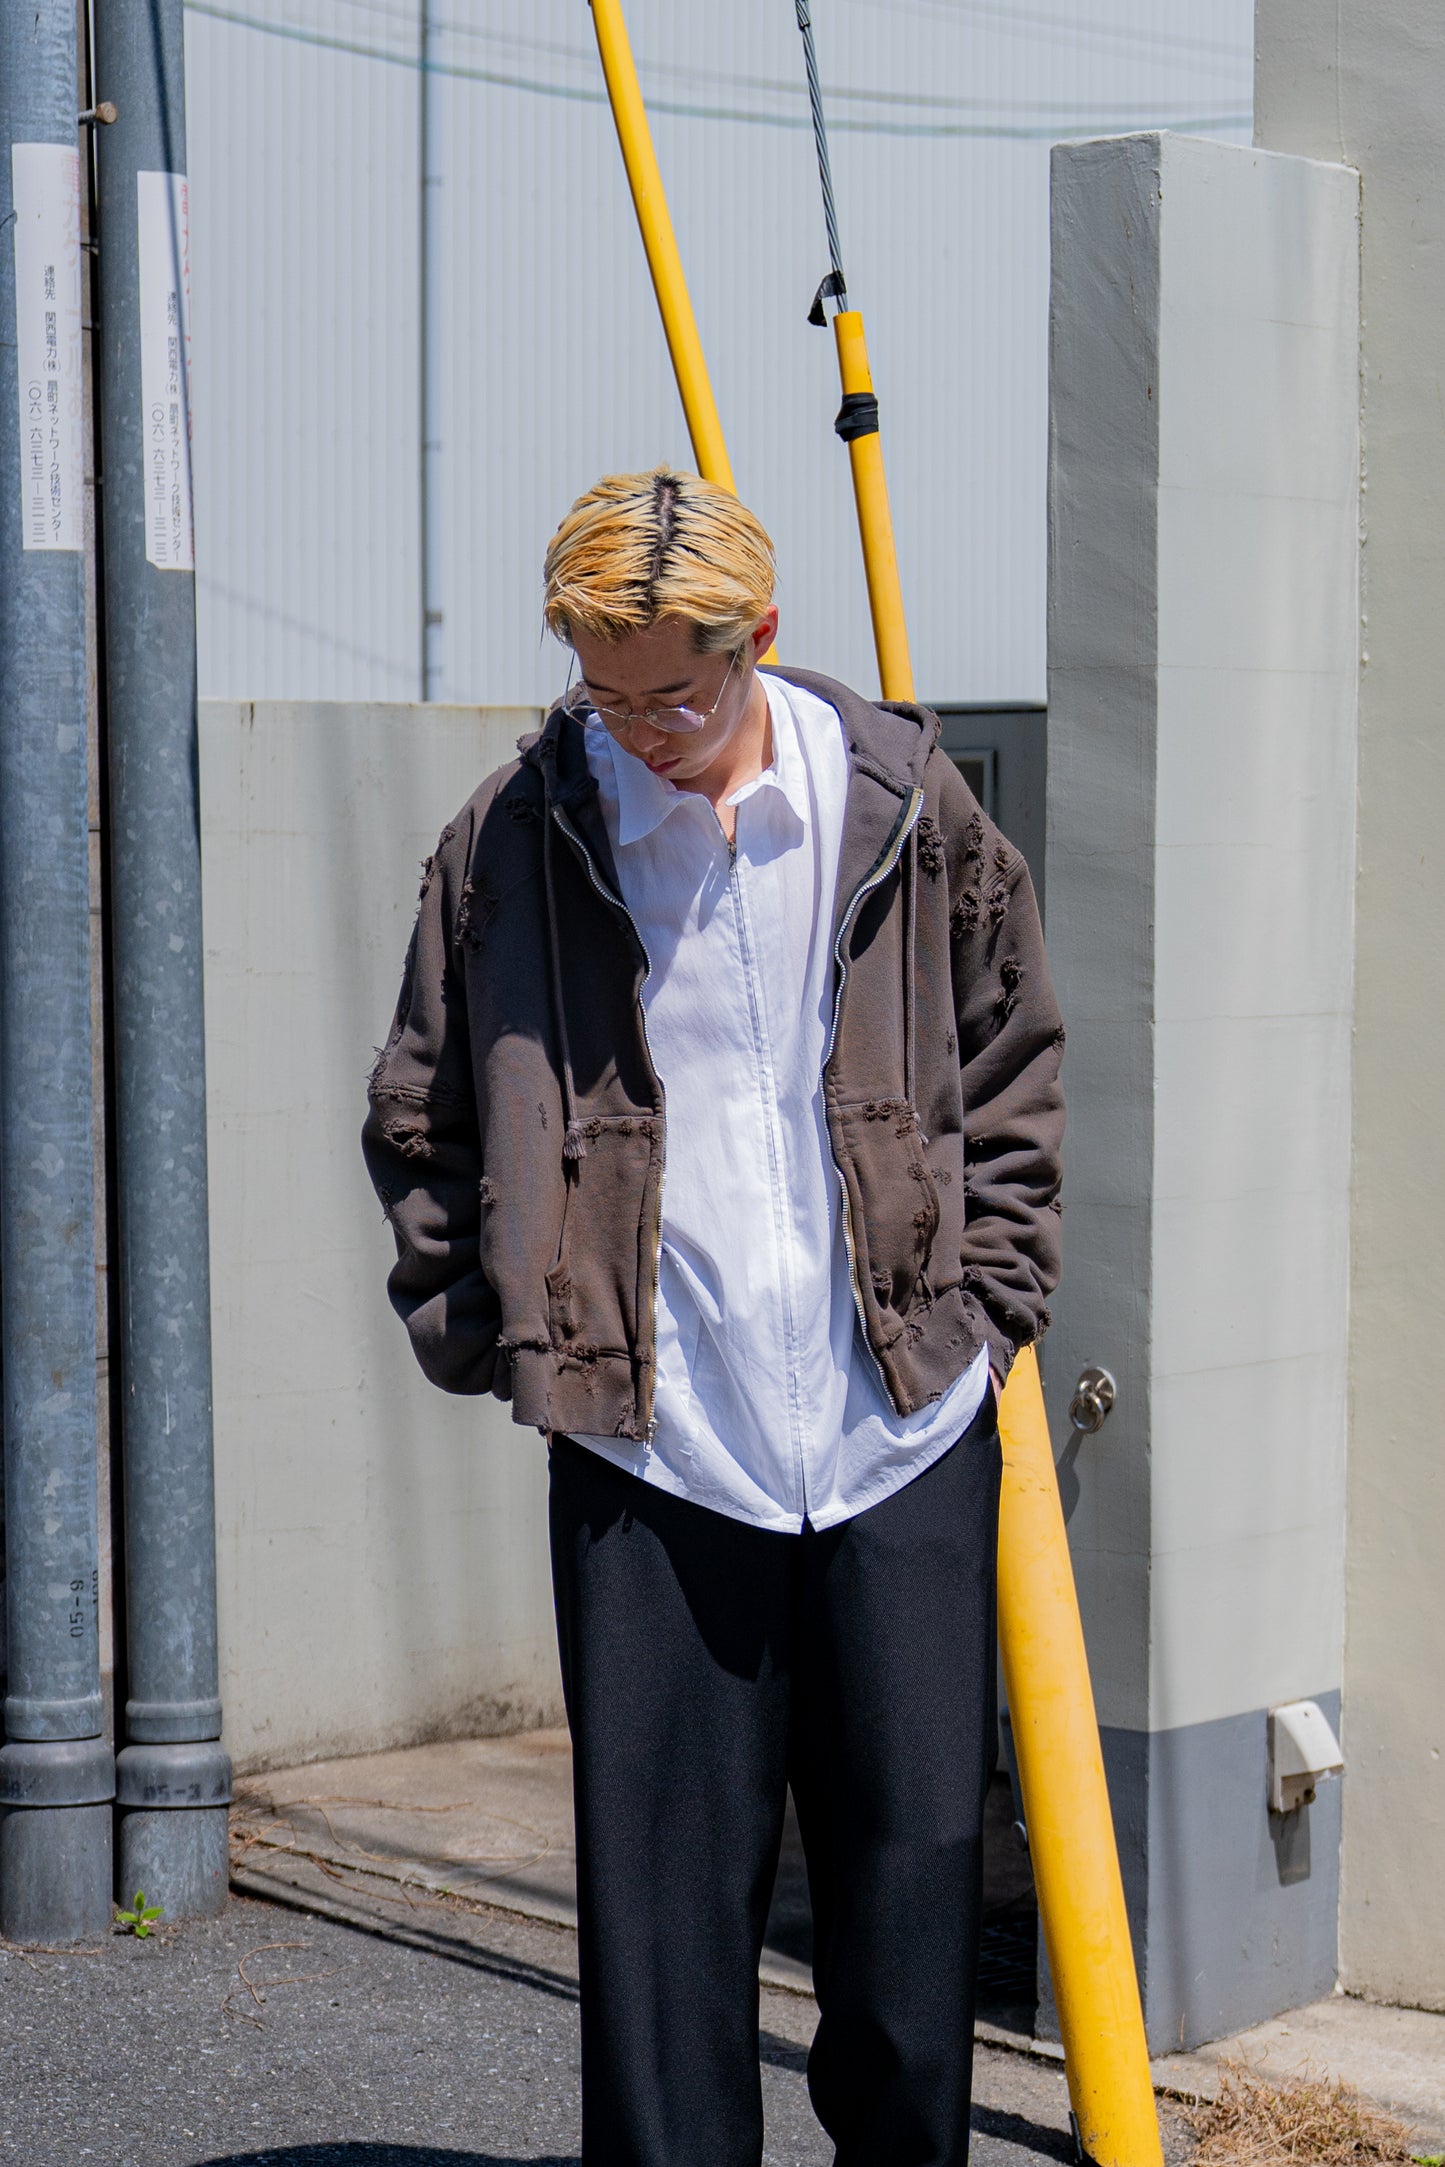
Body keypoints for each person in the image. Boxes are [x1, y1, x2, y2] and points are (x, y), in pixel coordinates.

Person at [363, 466, 1064, 2166]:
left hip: (898, 1423)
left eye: (673, 694)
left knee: (909, 1910)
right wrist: (510, 1331)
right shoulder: (517, 837)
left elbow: (1013, 1054)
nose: (642, 733)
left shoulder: (897, 806)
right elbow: (420, 1109)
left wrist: (987, 1305)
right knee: (663, 1935)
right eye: (606, 697)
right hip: (656, 1448)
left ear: (759, 636)